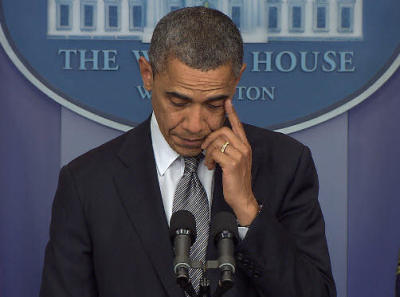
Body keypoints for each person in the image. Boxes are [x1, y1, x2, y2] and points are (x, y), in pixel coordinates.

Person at [40, 6, 336, 297]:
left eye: (214, 103)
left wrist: (248, 211)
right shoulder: (87, 182)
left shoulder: (286, 164)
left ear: (237, 80)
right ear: (147, 74)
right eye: (178, 102)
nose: (195, 125)